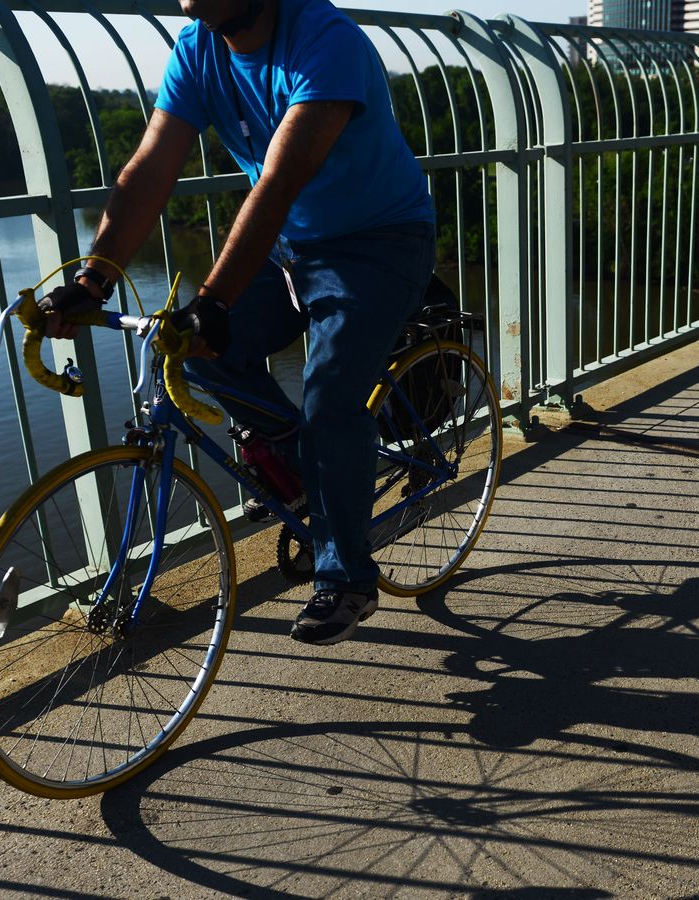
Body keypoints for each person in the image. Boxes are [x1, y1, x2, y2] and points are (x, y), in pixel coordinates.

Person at [37, 0, 437, 646]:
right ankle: (308, 472)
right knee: (192, 353)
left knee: (332, 397)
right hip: (291, 249)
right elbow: (151, 169)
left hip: (379, 243)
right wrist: (94, 280)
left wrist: (216, 300)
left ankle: (346, 576)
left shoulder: (325, 40)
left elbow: (278, 184)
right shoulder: (199, 48)